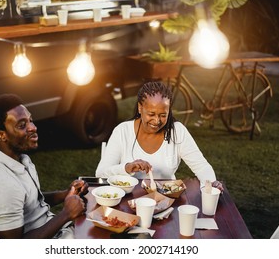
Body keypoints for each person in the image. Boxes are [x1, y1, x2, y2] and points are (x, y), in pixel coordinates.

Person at [0, 94, 88, 239]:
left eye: (30, 121)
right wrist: (66, 214)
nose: (33, 128)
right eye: (22, 125)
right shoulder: (2, 184)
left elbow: (31, 202)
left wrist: (66, 193)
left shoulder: (20, 158)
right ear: (1, 135)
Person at [95, 81, 224, 191]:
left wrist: (211, 183)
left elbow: (201, 166)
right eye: (151, 114)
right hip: (128, 200)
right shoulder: (122, 131)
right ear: (140, 108)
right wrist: (127, 167)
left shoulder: (177, 131)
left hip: (167, 199)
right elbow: (101, 173)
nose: (157, 121)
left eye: (163, 115)